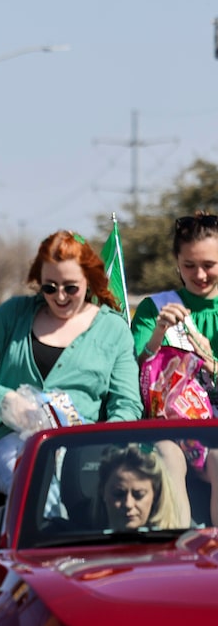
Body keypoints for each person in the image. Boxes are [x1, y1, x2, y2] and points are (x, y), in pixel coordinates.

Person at [0, 232, 141, 495]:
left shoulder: (114, 329)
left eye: (71, 287)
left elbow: (127, 404)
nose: (61, 297)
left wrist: (107, 446)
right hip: (12, 441)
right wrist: (5, 399)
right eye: (50, 287)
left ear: (89, 280)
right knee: (37, 484)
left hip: (84, 448)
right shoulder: (13, 314)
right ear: (38, 282)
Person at [130, 212, 218, 527]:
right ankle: (179, 554)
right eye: (189, 266)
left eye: (209, 265)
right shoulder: (156, 308)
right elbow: (133, 373)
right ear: (176, 262)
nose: (200, 275)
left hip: (213, 432)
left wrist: (212, 365)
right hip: (170, 426)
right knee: (167, 456)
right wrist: (158, 332)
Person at [92, 446, 184, 531]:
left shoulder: (177, 543)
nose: (128, 504)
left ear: (155, 493)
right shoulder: (80, 540)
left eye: (139, 495)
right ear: (102, 491)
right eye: (118, 494)